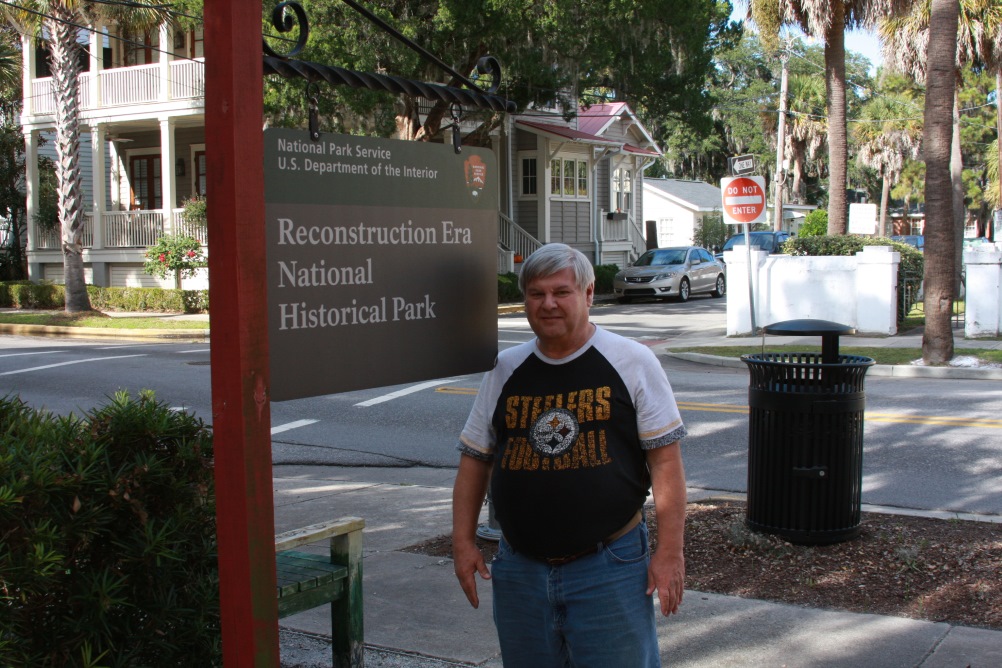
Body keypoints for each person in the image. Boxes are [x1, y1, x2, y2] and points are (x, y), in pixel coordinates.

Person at [452, 243, 688, 668]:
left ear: (589, 294)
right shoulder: (505, 368)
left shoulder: (632, 361)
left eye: (561, 292)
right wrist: (463, 542)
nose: (548, 304)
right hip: (520, 569)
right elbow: (475, 458)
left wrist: (670, 553)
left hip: (609, 567)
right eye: (536, 294)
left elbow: (665, 462)